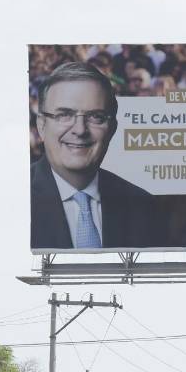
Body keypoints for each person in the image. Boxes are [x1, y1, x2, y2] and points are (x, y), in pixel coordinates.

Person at [31, 62, 157, 249]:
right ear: (41, 125)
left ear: (112, 128)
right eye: (64, 115)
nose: (80, 130)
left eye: (95, 117)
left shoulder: (143, 205)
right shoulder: (12, 199)